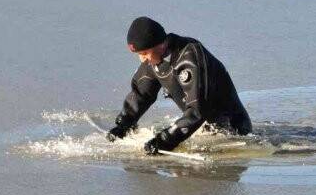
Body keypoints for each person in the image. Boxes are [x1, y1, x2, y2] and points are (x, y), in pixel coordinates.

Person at [106, 17, 252, 154]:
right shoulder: (153, 60)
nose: (141, 58)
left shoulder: (190, 58)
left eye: (144, 53)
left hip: (233, 132)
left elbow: (197, 109)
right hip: (201, 127)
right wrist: (123, 125)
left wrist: (165, 139)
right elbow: (141, 94)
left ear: (160, 45)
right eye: (138, 54)